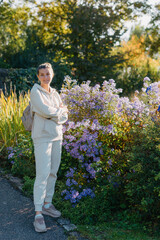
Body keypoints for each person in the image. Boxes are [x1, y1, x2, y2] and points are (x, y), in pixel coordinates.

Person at [30, 63, 68, 233]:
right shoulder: (35, 91)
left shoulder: (55, 93)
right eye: (42, 74)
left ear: (52, 75)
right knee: (42, 174)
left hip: (56, 137)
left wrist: (56, 114)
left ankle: (47, 204)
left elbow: (64, 115)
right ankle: (38, 214)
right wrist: (57, 112)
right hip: (42, 137)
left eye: (48, 74)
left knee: (53, 172)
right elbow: (44, 110)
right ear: (38, 76)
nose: (45, 77)